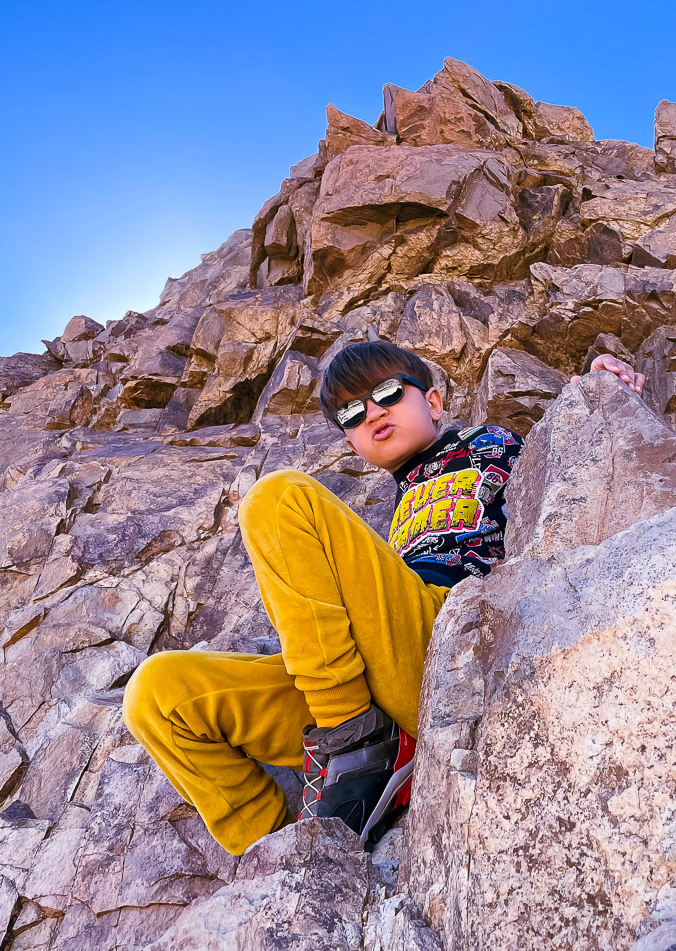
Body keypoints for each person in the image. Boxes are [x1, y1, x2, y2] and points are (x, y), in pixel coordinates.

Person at [122, 340, 645, 854]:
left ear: (433, 402)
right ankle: (285, 856)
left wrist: (598, 382)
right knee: (157, 694)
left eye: (389, 392)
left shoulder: (491, 445)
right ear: (352, 445)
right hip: (378, 686)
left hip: (453, 640)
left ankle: (357, 746)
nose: (372, 412)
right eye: (351, 412)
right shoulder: (390, 520)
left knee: (277, 497)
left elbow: (572, 446)